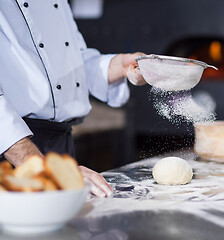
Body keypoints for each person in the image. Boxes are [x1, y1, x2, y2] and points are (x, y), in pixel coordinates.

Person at [0, 0, 146, 197]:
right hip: (14, 152)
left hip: (59, 145)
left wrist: (116, 66)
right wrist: (40, 168)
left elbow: (70, 61)